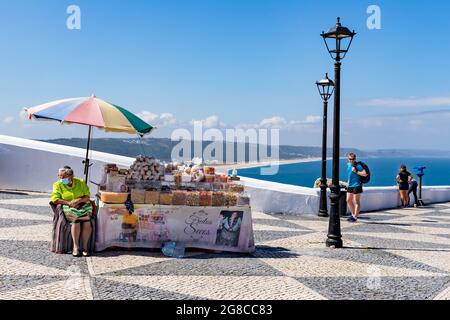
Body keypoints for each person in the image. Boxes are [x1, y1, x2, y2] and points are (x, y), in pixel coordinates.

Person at [50, 167, 93, 257]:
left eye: (64, 177)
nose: (61, 179)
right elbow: (55, 199)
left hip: (83, 205)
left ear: (71, 176)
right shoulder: (57, 184)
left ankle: (85, 247)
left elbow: (87, 196)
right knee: (76, 220)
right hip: (68, 206)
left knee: (87, 221)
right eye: (59, 176)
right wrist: (69, 203)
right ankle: (76, 247)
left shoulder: (80, 182)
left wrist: (78, 201)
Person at [346, 153, 368, 223]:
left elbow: (365, 174)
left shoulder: (358, 165)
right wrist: (348, 183)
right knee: (348, 200)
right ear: (348, 159)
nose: (351, 160)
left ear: (355, 159)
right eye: (350, 159)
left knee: (356, 201)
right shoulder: (348, 165)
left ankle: (355, 217)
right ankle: (353, 215)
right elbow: (349, 175)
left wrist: (356, 171)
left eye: (352, 159)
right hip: (350, 185)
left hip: (357, 185)